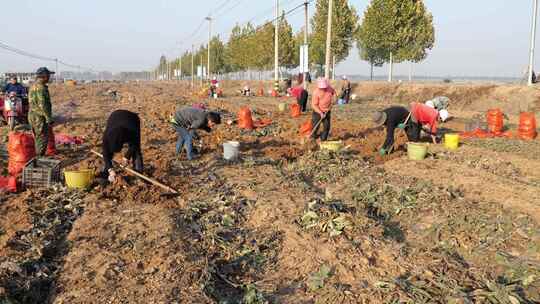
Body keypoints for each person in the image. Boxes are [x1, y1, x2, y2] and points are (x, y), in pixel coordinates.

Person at [101, 110, 143, 181]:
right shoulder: (106, 136)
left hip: (132, 119)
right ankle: (107, 170)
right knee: (108, 154)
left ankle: (138, 172)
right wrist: (110, 170)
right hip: (114, 117)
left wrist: (127, 157)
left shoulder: (131, 132)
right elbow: (105, 154)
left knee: (136, 150)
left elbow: (135, 144)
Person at [28, 67, 55, 156]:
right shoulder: (41, 88)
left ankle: (37, 156)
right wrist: (49, 118)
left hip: (32, 115)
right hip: (39, 117)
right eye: (48, 75)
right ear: (44, 76)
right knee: (42, 138)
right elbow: (43, 105)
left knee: (37, 137)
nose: (49, 77)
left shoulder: (33, 86)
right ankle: (39, 158)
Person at [311, 78, 335, 142]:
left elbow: (334, 93)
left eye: (324, 87)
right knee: (315, 127)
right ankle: (312, 139)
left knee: (327, 127)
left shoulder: (330, 88)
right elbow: (314, 105)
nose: (323, 89)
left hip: (327, 111)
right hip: (317, 111)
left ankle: (323, 140)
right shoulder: (316, 93)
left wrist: (334, 99)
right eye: (321, 88)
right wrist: (321, 113)